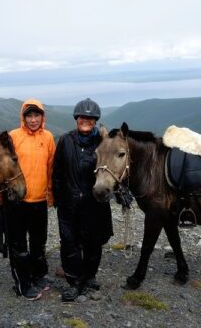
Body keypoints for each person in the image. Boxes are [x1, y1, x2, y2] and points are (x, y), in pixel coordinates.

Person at [0, 99, 56, 301]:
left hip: (39, 201)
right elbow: (1, 167)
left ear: (42, 117)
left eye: (36, 115)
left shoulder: (48, 138)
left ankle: (37, 275)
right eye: (29, 115)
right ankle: (22, 284)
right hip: (16, 202)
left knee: (39, 243)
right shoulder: (13, 137)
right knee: (19, 246)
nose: (33, 119)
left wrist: (51, 194)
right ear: (23, 117)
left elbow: (50, 168)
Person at [52, 98, 113, 302]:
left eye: (90, 118)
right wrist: (59, 199)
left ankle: (89, 276)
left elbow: (112, 170)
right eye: (82, 117)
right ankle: (74, 281)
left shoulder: (103, 143)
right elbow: (57, 172)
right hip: (69, 203)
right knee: (69, 243)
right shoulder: (65, 140)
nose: (85, 120)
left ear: (95, 121)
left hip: (94, 203)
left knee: (93, 243)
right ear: (76, 118)